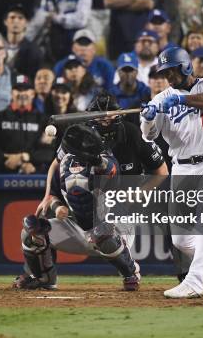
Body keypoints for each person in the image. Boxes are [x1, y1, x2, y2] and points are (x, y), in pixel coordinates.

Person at [140, 46, 203, 298]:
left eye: (171, 71)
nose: (168, 77)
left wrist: (181, 100)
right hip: (182, 167)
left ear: (185, 66)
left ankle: (194, 280)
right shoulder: (160, 98)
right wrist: (149, 117)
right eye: (164, 72)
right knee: (181, 240)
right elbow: (149, 136)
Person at [13, 124, 141, 291]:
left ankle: (130, 273)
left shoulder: (104, 160)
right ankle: (44, 278)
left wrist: (95, 160)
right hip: (78, 228)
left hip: (115, 227)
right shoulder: (64, 166)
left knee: (102, 233)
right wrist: (58, 207)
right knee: (30, 230)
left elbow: (111, 171)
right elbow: (53, 196)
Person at [0, 75, 52, 174]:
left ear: (33, 93)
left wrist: (27, 158)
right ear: (11, 93)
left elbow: (50, 151)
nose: (22, 93)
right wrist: (6, 160)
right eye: (18, 90)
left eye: (25, 90)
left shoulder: (44, 120)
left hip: (35, 174)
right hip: (3, 174)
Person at [4, 4, 43, 80]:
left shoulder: (34, 51)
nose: (16, 21)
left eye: (20, 18)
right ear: (5, 21)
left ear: (26, 23)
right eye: (12, 17)